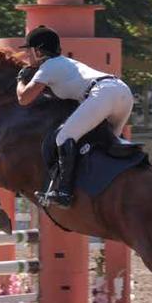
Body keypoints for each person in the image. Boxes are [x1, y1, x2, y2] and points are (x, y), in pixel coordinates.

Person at [16, 26, 134, 208]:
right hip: (122, 92)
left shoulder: (48, 66)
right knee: (109, 142)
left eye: (28, 52)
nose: (26, 57)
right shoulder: (64, 63)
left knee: (64, 137)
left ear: (38, 51)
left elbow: (24, 98)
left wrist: (21, 80)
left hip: (103, 94)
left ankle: (64, 192)